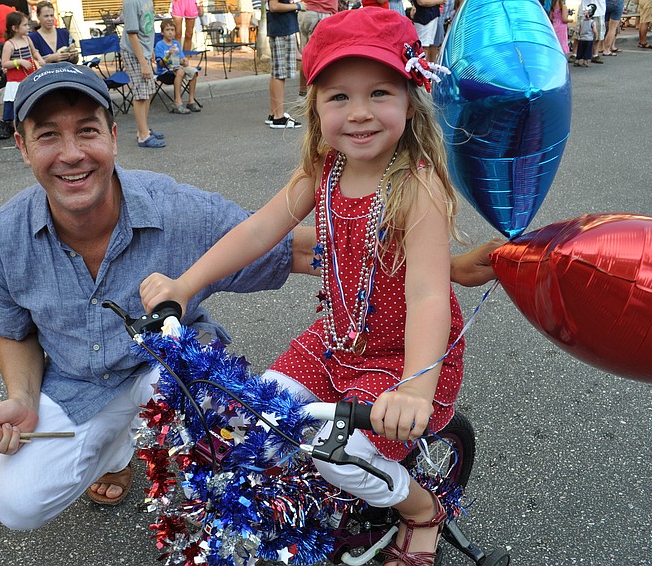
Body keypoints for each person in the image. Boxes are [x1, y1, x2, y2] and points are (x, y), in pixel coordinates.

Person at [0, 61, 500, 532]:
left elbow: (314, 251)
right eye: (48, 136)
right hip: (87, 383)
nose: (72, 154)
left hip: (355, 357)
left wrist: (438, 282)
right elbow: (11, 332)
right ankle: (116, 451)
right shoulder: (0, 240)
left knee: (281, 440)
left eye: (87, 131)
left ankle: (420, 511)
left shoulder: (179, 209)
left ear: (114, 136)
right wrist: (22, 399)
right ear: (22, 146)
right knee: (16, 505)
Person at [139, 8, 471, 565]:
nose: (359, 112)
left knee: (336, 455)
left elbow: (429, 295)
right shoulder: (324, 169)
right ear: (315, 106)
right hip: (337, 338)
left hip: (403, 355)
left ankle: (422, 510)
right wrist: (185, 284)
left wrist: (415, 389)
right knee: (260, 415)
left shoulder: (418, 187)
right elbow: (258, 230)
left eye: (380, 92)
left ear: (411, 100)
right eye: (339, 96)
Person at [121, 0, 166, 147]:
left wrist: (150, 49)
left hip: (144, 51)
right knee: (141, 94)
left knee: (150, 91)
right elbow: (132, 35)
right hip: (133, 53)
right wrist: (143, 63)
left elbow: (147, 28)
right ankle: (143, 136)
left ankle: (143, 129)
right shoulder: (131, 2)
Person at [0, 11, 44, 141]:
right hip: (16, 78)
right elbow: (4, 63)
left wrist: (40, 59)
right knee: (16, 105)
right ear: (15, 28)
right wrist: (18, 62)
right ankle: (17, 131)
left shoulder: (27, 39)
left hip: (29, 74)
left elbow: (34, 51)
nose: (28, 27)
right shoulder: (9, 44)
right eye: (24, 25)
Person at [265, 0, 302, 128]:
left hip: (281, 28)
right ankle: (278, 117)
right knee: (280, 74)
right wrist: (298, 6)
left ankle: (274, 113)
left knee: (276, 73)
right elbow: (274, 6)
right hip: (282, 30)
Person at [155, 19, 201, 114]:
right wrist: (168, 55)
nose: (170, 32)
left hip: (178, 67)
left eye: (172, 30)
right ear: (162, 32)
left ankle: (191, 101)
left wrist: (184, 60)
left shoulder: (176, 43)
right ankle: (177, 102)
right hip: (165, 71)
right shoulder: (159, 45)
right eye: (167, 30)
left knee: (193, 71)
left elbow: (182, 59)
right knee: (180, 71)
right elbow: (161, 64)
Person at [297, 0, 336, 97]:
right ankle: (315, 97)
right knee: (321, 57)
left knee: (305, 55)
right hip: (322, 12)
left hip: (306, 12)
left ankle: (303, 93)